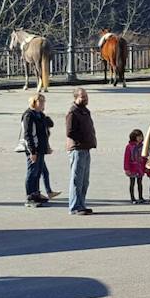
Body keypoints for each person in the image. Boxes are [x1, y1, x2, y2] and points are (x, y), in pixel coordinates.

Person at [66, 87, 96, 215]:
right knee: (76, 180)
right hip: (77, 149)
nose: (85, 99)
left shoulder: (85, 111)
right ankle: (74, 206)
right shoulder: (73, 112)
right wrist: (82, 140)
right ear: (76, 98)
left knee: (84, 180)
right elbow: (70, 132)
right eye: (83, 97)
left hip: (86, 148)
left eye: (86, 96)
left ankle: (81, 204)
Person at [22, 93, 52, 208]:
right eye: (41, 101)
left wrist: (46, 147)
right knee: (32, 173)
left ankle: (36, 194)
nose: (43, 103)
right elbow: (28, 135)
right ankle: (29, 197)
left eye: (44, 101)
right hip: (33, 149)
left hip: (41, 148)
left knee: (38, 172)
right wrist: (32, 151)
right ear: (34, 102)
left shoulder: (39, 114)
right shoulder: (29, 115)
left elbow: (48, 127)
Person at [39, 114, 61, 200]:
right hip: (38, 153)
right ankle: (47, 192)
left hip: (41, 152)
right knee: (42, 173)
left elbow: (46, 141)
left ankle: (49, 192)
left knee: (44, 172)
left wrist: (48, 148)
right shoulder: (43, 129)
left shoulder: (45, 129)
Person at [124, 129, 146, 204]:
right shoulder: (129, 146)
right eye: (138, 137)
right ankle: (132, 198)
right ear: (134, 137)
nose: (140, 138)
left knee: (140, 183)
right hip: (132, 167)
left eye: (141, 136)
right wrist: (127, 168)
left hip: (140, 167)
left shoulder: (143, 146)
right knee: (132, 183)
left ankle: (140, 197)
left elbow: (145, 156)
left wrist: (146, 167)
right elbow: (126, 158)